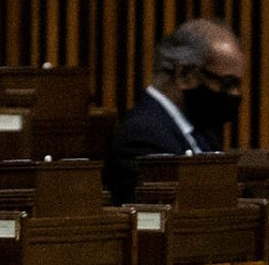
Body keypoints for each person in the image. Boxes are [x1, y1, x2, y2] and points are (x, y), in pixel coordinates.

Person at [103, 17, 247, 203]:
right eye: (227, 84)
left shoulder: (204, 131)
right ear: (184, 74)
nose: (234, 94)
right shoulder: (141, 136)